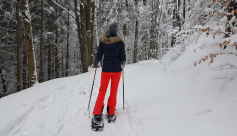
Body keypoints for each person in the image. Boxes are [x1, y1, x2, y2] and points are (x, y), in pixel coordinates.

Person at [91, 21, 126, 130]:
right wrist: (123, 62)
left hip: (106, 70)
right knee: (114, 91)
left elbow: (99, 54)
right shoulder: (120, 43)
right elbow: (123, 57)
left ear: (109, 31)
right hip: (116, 71)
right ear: (116, 32)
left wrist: (96, 62)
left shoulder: (103, 42)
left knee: (102, 90)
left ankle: (97, 113)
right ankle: (111, 113)